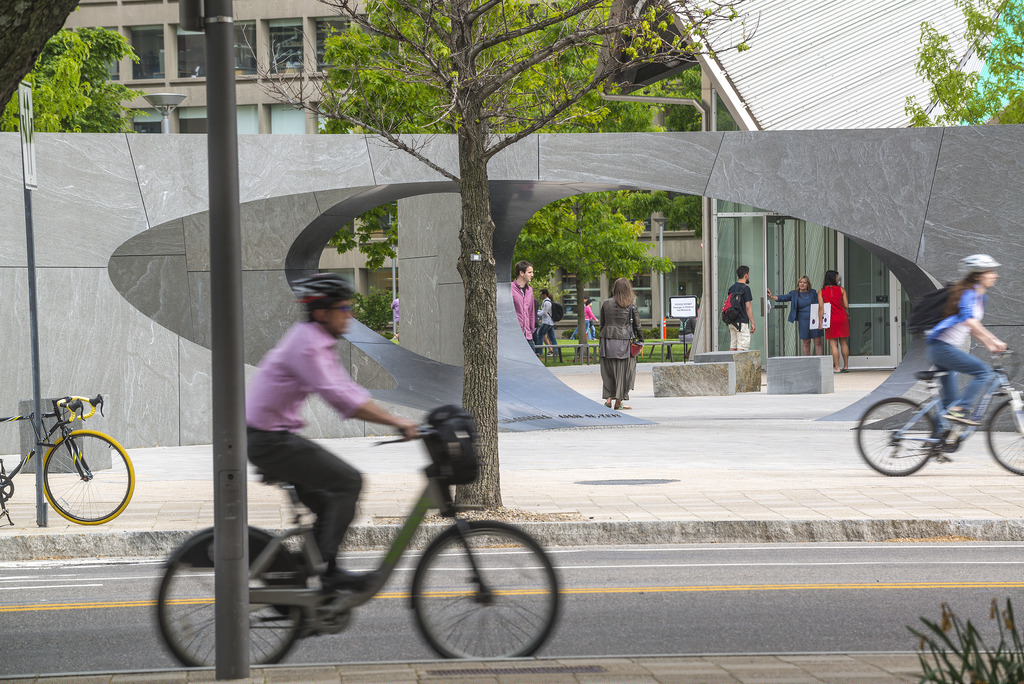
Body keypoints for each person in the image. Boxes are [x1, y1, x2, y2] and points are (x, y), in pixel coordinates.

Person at [246, 273, 419, 591]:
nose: (349, 314)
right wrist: (399, 422)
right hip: (270, 440)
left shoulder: (315, 340)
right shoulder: (308, 345)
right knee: (348, 482)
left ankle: (307, 573)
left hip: (271, 437)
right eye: (343, 307)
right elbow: (343, 399)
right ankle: (325, 571)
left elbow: (344, 386)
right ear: (322, 312)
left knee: (330, 501)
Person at [926, 254, 1006, 425]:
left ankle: (937, 441)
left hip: (942, 349)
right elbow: (968, 319)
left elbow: (970, 327)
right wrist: (995, 340)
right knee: (983, 372)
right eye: (990, 271)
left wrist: (989, 345)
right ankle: (961, 410)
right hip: (942, 348)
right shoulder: (969, 293)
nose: (995, 275)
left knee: (949, 402)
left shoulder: (980, 296)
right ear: (978, 275)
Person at [600, 278, 643, 410]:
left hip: (606, 340)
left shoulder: (606, 303)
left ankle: (608, 399)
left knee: (608, 371)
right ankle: (618, 402)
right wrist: (640, 340)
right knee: (623, 372)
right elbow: (637, 325)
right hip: (623, 342)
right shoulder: (631, 304)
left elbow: (602, 323)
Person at [768, 275, 824, 356]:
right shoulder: (794, 294)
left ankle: (820, 362)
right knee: (806, 342)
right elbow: (783, 298)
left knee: (817, 341)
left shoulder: (813, 292)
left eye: (804, 282)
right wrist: (772, 296)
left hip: (815, 318)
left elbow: (820, 304)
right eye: (800, 282)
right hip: (803, 320)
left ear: (808, 284)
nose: (802, 284)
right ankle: (807, 363)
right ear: (798, 283)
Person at [818, 270, 850, 373]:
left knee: (833, 344)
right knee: (843, 343)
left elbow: (821, 308)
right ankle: (845, 366)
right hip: (842, 317)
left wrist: (820, 322)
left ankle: (837, 367)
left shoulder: (821, 291)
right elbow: (846, 305)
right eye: (836, 277)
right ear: (832, 278)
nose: (837, 279)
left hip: (830, 319)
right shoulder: (841, 290)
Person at [728, 265, 755, 351]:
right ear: (745, 275)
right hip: (742, 322)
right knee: (742, 347)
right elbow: (748, 306)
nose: (749, 276)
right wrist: (752, 322)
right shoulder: (745, 288)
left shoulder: (732, 288)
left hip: (732, 321)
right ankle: (740, 365)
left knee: (733, 346)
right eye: (749, 274)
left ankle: (730, 364)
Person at [511, 261, 536, 353]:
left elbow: (531, 311)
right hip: (514, 335)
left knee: (533, 364)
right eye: (530, 272)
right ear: (521, 273)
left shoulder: (530, 290)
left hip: (527, 335)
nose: (532, 275)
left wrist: (532, 328)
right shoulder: (510, 288)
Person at [534, 288, 557, 356]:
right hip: (550, 322)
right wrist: (538, 311)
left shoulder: (547, 302)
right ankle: (555, 352)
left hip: (547, 322)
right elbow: (544, 311)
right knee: (552, 337)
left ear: (544, 294)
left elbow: (544, 313)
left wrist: (536, 313)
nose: (540, 296)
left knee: (540, 335)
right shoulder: (547, 301)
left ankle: (539, 352)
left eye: (541, 294)